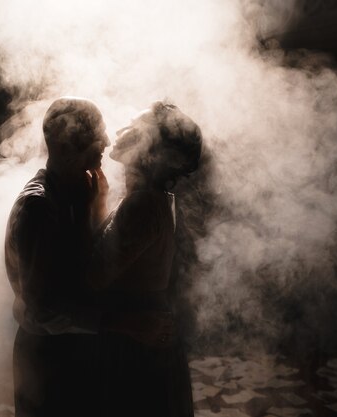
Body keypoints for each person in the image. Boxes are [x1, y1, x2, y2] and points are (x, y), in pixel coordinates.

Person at [89, 101, 202, 417]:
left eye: (135, 129)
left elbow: (93, 278)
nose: (122, 130)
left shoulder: (142, 205)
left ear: (152, 152)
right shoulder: (152, 198)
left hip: (134, 344)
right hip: (141, 339)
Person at [4, 96, 110, 417]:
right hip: (47, 363)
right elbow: (43, 309)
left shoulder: (80, 190)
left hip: (72, 355)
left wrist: (97, 208)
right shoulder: (38, 206)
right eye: (96, 135)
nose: (106, 141)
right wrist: (120, 324)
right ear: (64, 147)